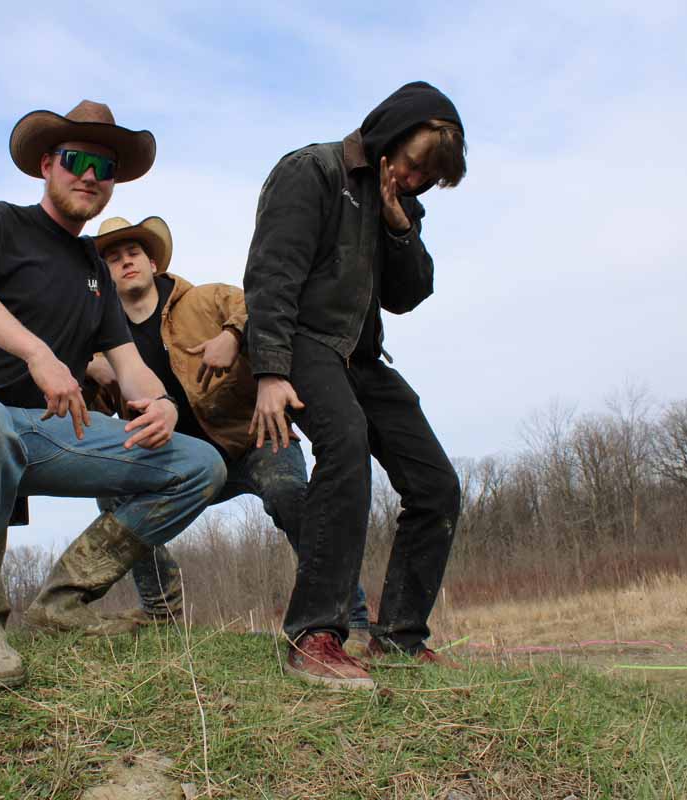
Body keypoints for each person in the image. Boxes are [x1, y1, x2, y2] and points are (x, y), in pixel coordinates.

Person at [0, 101, 226, 688]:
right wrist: (36, 352)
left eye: (105, 168)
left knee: (200, 464)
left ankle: (63, 600)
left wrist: (163, 404)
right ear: (47, 164)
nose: (90, 176)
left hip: (43, 435)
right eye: (77, 160)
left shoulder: (95, 271)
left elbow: (132, 371)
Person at [243, 81, 468, 689]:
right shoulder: (312, 171)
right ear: (391, 132)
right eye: (414, 164)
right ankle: (315, 635)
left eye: (429, 179)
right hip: (303, 343)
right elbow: (270, 275)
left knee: (436, 484)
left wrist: (399, 227)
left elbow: (408, 295)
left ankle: (399, 637)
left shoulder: (402, 204)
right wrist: (270, 370)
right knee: (344, 445)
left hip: (360, 357)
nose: (415, 180)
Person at [85, 216, 375, 644]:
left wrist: (234, 335)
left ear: (153, 263)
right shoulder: (107, 341)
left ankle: (352, 618)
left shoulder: (204, 300)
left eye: (133, 253)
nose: (126, 262)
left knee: (290, 495)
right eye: (113, 259)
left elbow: (262, 304)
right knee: (111, 492)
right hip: (176, 461)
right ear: (104, 278)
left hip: (251, 437)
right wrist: (89, 369)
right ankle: (160, 610)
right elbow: (91, 411)